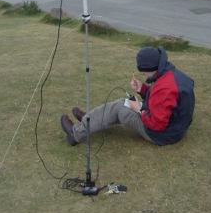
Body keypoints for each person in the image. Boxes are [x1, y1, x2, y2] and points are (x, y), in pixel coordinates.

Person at [60, 47, 195, 146]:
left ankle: (76, 133)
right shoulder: (171, 74)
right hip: (175, 127)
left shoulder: (164, 87)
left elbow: (157, 124)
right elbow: (164, 102)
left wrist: (139, 109)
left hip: (163, 134)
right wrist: (142, 89)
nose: (143, 76)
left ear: (150, 70)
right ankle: (88, 120)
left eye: (143, 73)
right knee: (122, 103)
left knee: (120, 108)